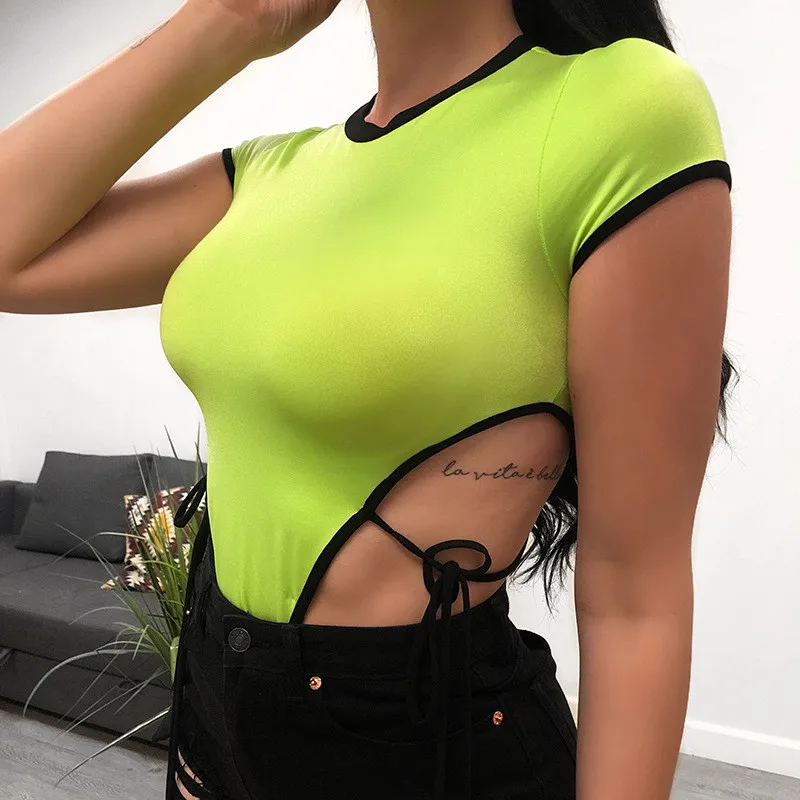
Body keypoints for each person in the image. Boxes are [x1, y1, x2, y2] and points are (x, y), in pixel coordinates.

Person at [0, 0, 736, 797]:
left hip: (422, 747)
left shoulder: (619, 104)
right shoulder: (270, 174)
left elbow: (636, 593)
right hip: (213, 704)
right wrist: (235, 19)